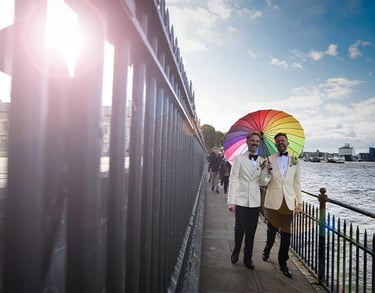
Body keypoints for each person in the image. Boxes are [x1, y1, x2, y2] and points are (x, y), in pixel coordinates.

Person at [261, 132, 303, 278]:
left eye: (283, 140)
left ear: (287, 142)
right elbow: (263, 182)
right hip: (273, 202)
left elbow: (296, 183)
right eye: (278, 141)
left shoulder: (295, 160)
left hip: (288, 203)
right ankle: (267, 249)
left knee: (286, 235)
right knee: (271, 232)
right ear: (275, 143)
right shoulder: (269, 159)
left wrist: (299, 202)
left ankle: (283, 263)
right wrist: (267, 171)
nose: (280, 142)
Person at [227, 131, 265, 270]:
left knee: (251, 230)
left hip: (254, 201)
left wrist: (268, 171)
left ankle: (248, 257)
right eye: (253, 140)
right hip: (241, 199)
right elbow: (232, 180)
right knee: (240, 228)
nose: (255, 143)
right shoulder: (239, 159)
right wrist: (231, 201)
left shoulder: (262, 161)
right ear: (247, 141)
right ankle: (236, 250)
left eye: (257, 141)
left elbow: (263, 182)